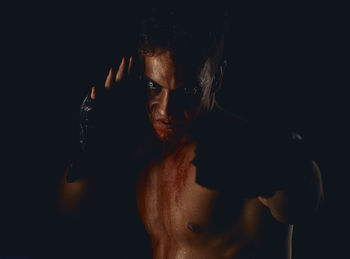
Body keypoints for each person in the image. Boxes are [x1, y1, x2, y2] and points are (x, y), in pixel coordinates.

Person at [58, 7, 323, 259]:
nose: (165, 109)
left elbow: (302, 202)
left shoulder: (241, 146)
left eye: (188, 92)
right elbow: (69, 215)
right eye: (154, 86)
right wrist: (89, 154)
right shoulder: (144, 149)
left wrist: (287, 167)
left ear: (216, 78)